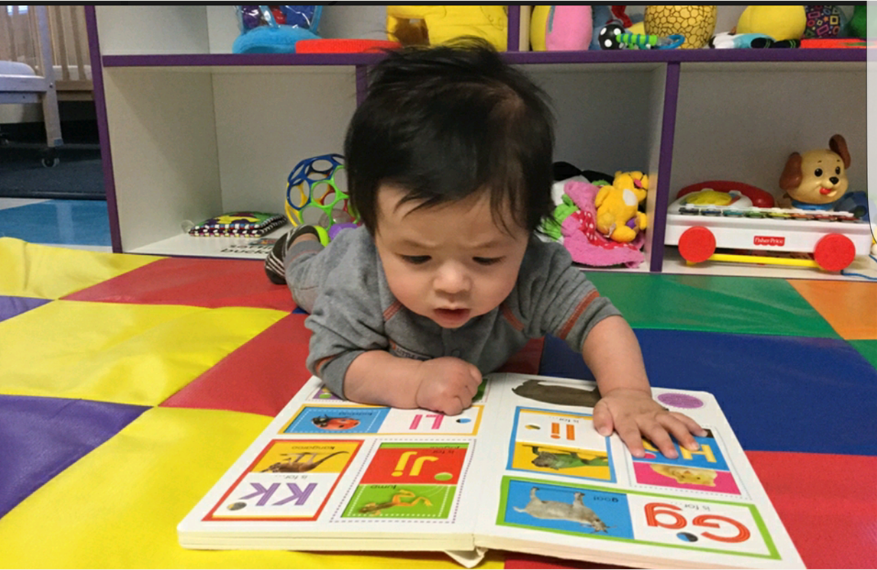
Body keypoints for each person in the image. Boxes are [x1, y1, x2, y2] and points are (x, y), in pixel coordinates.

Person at [265, 39, 705, 459]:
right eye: (417, 257)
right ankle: (298, 240)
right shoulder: (358, 272)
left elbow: (598, 322)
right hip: (328, 271)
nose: (452, 283)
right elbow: (332, 357)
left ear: (530, 228)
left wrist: (628, 392)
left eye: (486, 258)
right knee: (303, 278)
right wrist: (414, 380)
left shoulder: (536, 271)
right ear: (373, 227)